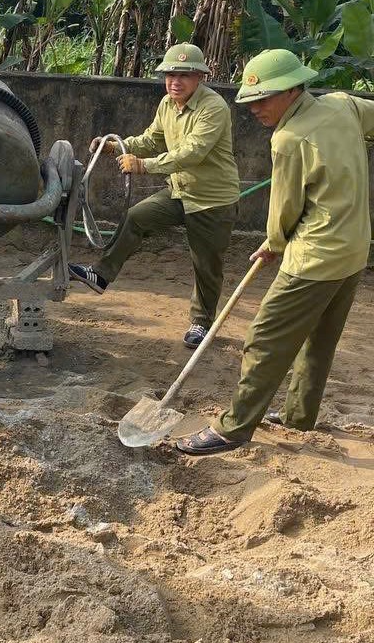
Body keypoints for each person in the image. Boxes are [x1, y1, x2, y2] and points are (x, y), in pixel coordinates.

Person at [176, 49, 373, 456]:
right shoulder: (344, 105)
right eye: (250, 101)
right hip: (354, 250)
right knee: (319, 341)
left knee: (264, 338)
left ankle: (233, 427)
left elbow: (284, 209)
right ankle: (300, 417)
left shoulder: (288, 139)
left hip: (315, 257)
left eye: (263, 99)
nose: (254, 109)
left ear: (292, 89)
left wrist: (274, 243)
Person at [69, 43, 240, 349]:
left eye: (184, 75)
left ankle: (201, 324)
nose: (176, 81)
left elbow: (193, 152)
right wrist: (116, 148)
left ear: (200, 77)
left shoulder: (213, 108)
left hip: (212, 200)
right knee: (136, 217)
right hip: (178, 191)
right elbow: (150, 140)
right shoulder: (167, 105)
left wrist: (143, 166)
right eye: (171, 74)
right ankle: (102, 275)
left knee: (206, 265)